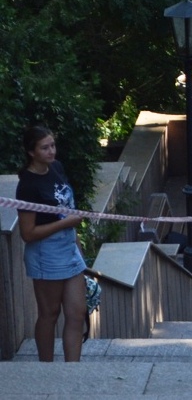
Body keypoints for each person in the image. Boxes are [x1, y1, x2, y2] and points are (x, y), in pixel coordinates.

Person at [16, 126, 87, 362]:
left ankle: (72, 369)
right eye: (44, 148)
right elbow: (28, 233)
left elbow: (66, 207)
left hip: (69, 247)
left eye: (52, 145)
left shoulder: (57, 168)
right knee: (50, 313)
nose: (51, 151)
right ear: (31, 152)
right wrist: (65, 223)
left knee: (77, 313)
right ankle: (46, 367)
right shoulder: (27, 185)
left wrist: (75, 240)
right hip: (47, 252)